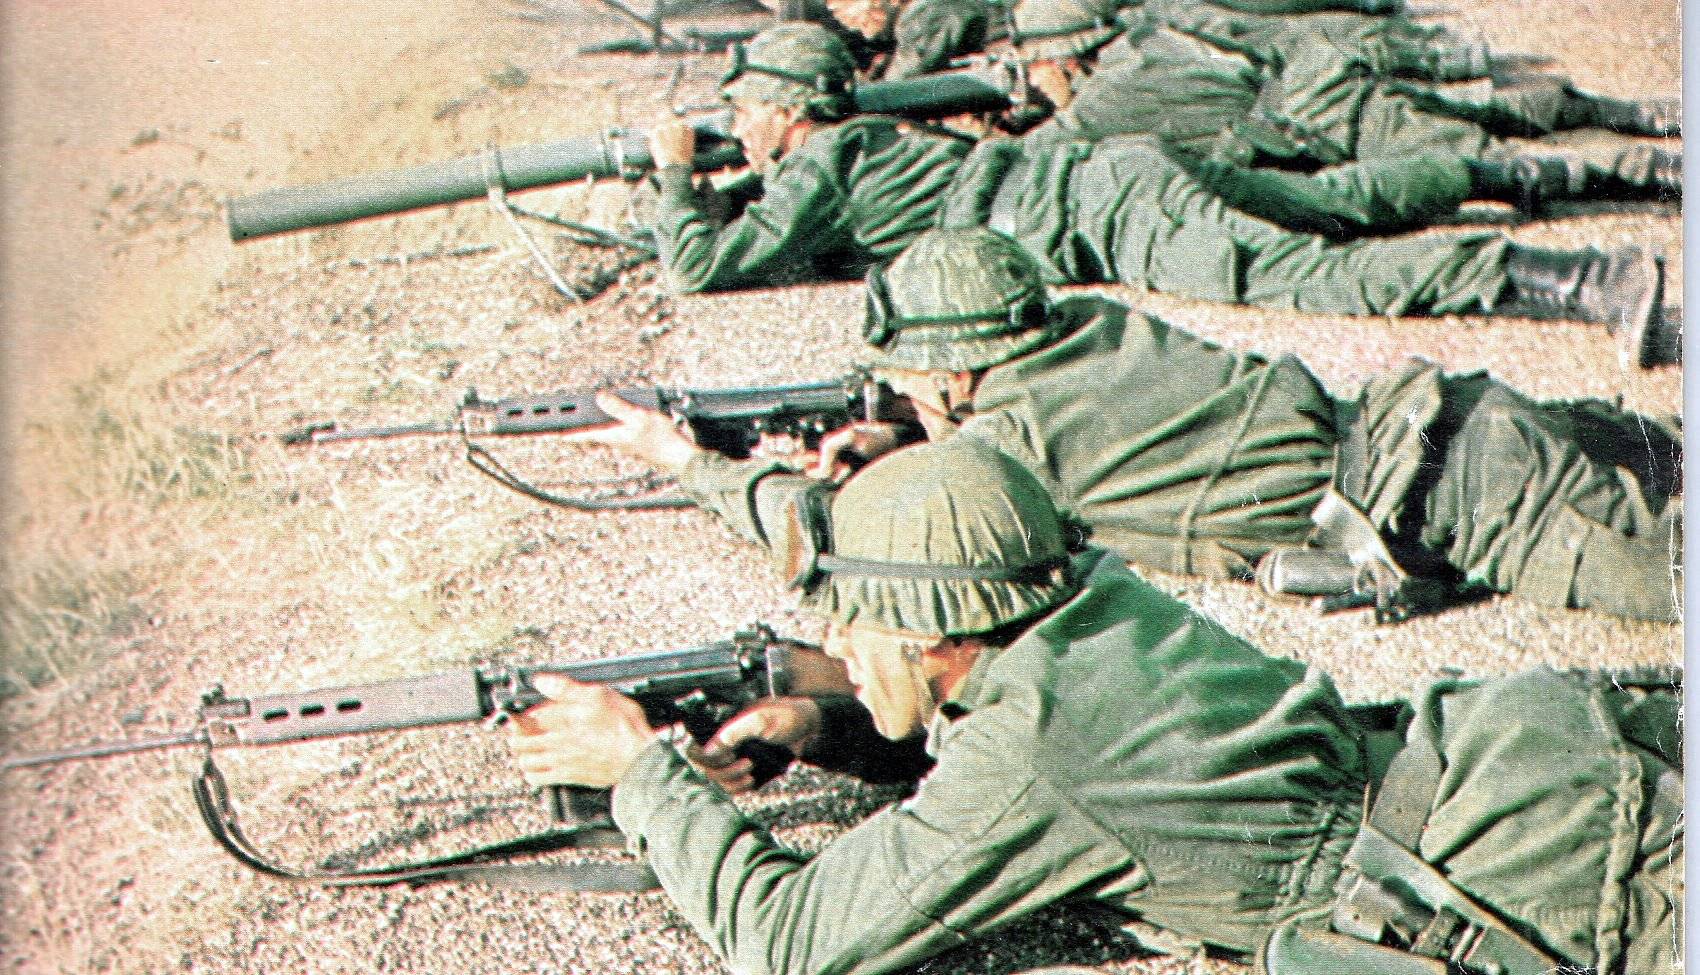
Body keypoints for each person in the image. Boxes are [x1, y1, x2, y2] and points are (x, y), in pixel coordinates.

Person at [506, 436, 1682, 975]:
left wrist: (644, 776)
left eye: (851, 630)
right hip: (1529, 749)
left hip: (1559, 880)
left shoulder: (1034, 759)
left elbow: (793, 942)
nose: (832, 650)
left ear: (932, 632)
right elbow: (1060, 741)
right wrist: (833, 729)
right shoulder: (1086, 595)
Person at [567, 228, 1682, 621]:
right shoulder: (1088, 324)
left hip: (1472, 499)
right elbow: (1076, 433)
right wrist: (919, 441)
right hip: (1460, 415)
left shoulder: (996, 446)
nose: (906, 394)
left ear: (954, 371)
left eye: (913, 377)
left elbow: (826, 538)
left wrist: (689, 464)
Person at [645, 24, 1668, 351]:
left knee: (1313, 276)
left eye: (746, 110)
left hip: (1096, 216)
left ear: (789, 107)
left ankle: (1585, 285)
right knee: (1334, 198)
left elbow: (699, 269)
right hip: (1109, 174)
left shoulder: (821, 162)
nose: (739, 128)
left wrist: (671, 176)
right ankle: (1557, 173)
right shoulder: (860, 139)